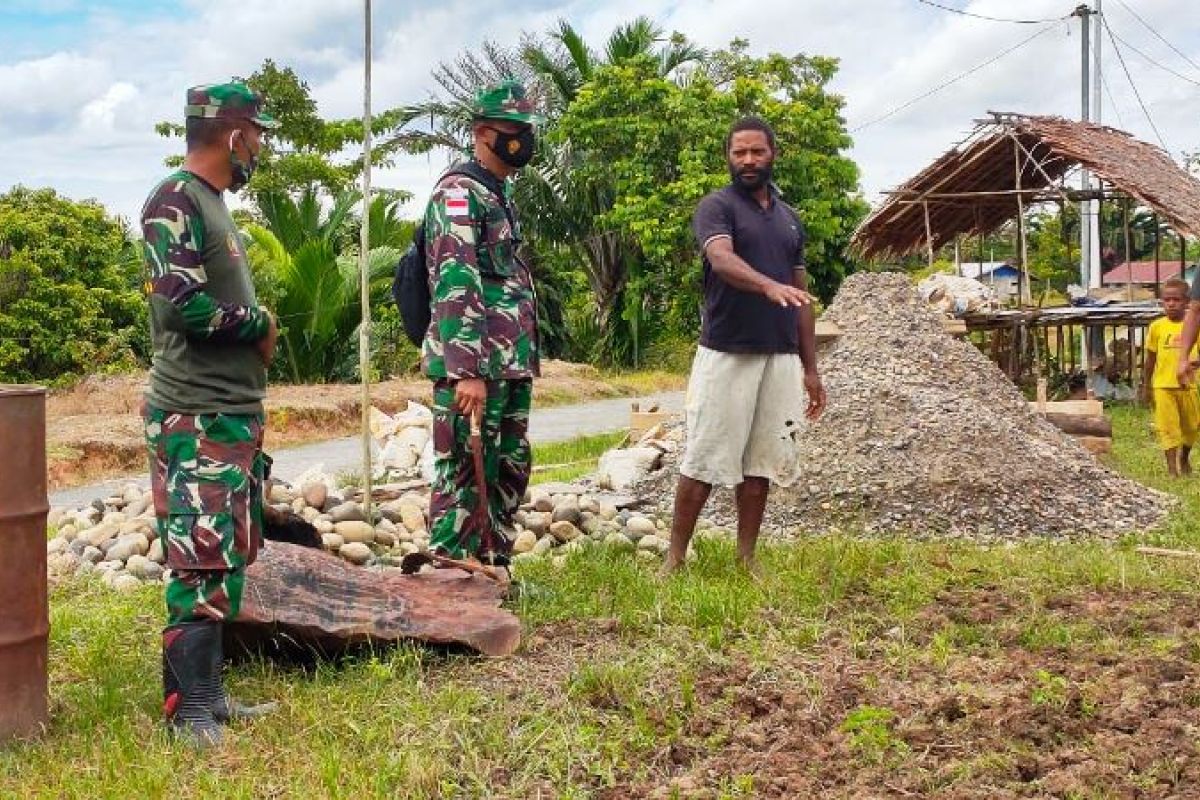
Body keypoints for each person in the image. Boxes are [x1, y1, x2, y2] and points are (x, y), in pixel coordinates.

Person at [141, 82, 280, 747]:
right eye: (256, 133)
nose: (259, 145)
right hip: (193, 414)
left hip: (228, 415)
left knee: (222, 555)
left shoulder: (212, 204)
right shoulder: (175, 199)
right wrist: (258, 322)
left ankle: (212, 695)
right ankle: (186, 710)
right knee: (198, 561)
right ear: (233, 136)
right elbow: (180, 306)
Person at [663, 116, 827, 576]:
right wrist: (766, 287)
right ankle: (673, 560)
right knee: (704, 457)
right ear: (729, 158)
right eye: (740, 153)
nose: (748, 160)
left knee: (761, 463)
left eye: (757, 151)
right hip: (727, 353)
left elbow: (802, 296)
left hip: (780, 357)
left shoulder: (790, 219)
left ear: (773, 154)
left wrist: (810, 369)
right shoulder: (717, 207)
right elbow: (721, 259)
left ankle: (746, 558)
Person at [423, 80, 542, 575]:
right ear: (481, 133)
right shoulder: (457, 194)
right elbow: (456, 281)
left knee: (507, 468)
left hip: (509, 364)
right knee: (464, 474)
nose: (522, 141)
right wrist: (465, 370)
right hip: (476, 368)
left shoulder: (497, 194)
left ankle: (493, 566)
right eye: (512, 132)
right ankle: (451, 575)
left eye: (526, 131)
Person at [1143, 278, 1200, 476]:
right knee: (1167, 428)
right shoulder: (1156, 327)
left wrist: (1195, 363)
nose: (1171, 304)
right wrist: (1146, 386)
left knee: (1191, 427)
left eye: (1176, 300)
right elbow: (1150, 359)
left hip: (1188, 385)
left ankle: (1184, 458)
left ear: (1187, 302)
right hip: (1163, 386)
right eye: (1167, 300)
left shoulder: (1194, 326)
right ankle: (1172, 470)